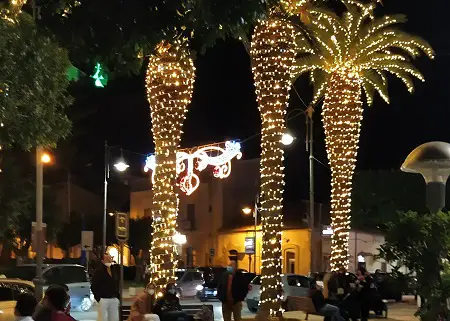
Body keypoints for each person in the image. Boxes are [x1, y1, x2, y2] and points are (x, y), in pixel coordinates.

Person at [216, 250, 249, 321]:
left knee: (237, 318)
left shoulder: (240, 276)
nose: (231, 267)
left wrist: (239, 298)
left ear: (236, 267)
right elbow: (219, 287)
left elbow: (244, 288)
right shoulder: (224, 275)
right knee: (226, 318)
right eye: (230, 266)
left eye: (233, 266)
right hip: (226, 302)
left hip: (236, 302)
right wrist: (222, 298)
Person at [91, 253, 120, 321]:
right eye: (107, 258)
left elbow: (116, 283)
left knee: (114, 318)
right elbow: (94, 286)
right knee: (102, 318)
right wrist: (98, 298)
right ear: (102, 261)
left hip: (113, 298)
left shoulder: (113, 270)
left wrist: (117, 296)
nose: (109, 260)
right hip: (103, 299)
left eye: (110, 258)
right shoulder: (99, 271)